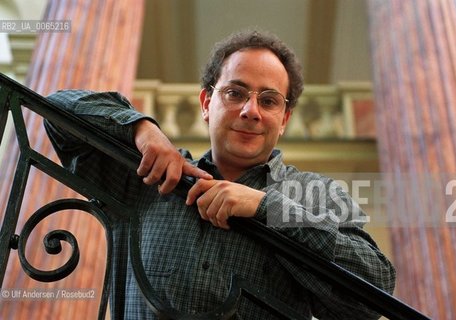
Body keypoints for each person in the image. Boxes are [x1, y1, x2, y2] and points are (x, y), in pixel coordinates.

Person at [44, 30, 395, 319]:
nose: (250, 111)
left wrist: (266, 207)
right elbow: (56, 110)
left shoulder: (315, 193)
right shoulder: (149, 176)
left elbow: (375, 286)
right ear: (206, 103)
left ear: (284, 119)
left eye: (269, 101)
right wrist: (142, 129)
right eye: (235, 93)